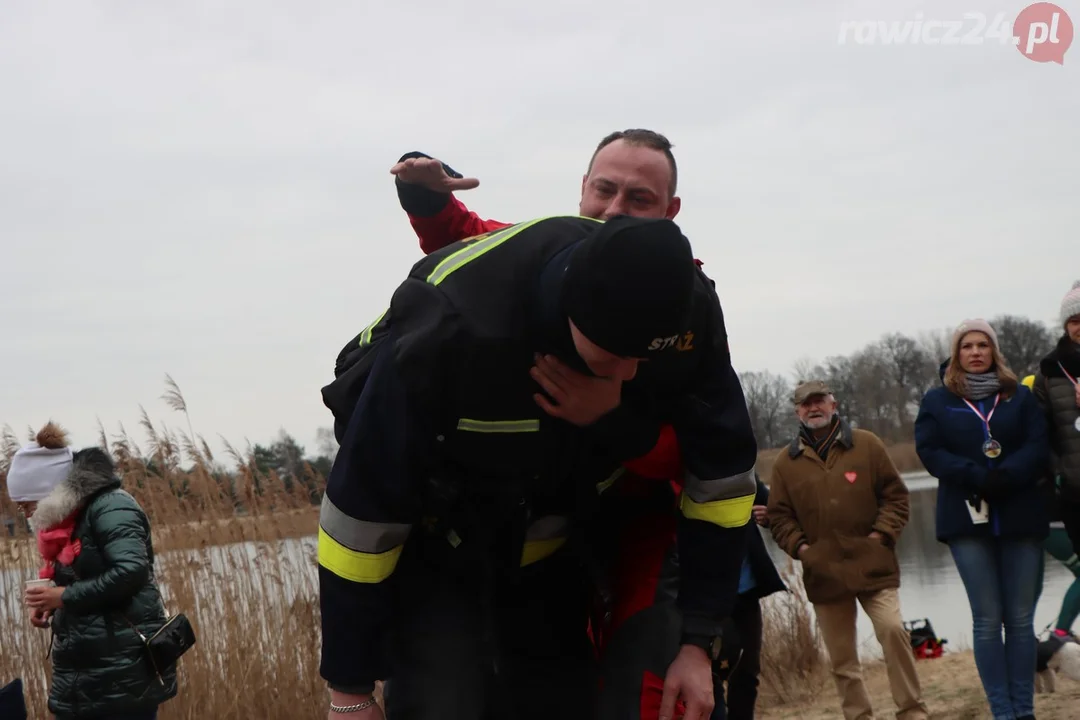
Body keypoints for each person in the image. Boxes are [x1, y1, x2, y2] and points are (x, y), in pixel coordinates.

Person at [317, 214, 758, 720]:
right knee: (444, 702)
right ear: (571, 313)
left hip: (555, 558)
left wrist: (700, 640)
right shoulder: (453, 328)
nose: (628, 375)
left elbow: (723, 484)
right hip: (436, 555)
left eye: (644, 360)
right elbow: (359, 521)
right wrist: (349, 692)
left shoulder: (690, 311)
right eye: (614, 355)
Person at [385, 129, 728, 719]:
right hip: (551, 530)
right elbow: (474, 245)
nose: (615, 210)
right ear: (582, 191)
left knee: (646, 701)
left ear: (672, 214)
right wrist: (426, 199)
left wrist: (612, 418)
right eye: (604, 190)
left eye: (639, 200)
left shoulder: (685, 303)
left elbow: (708, 459)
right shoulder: (550, 258)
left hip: (643, 529)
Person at [767, 380, 928, 720]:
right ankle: (858, 716)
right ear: (797, 411)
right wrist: (804, 549)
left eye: (819, 401)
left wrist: (881, 537)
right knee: (842, 661)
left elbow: (896, 496)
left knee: (893, 631)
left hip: (874, 566)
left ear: (833, 402)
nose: (814, 408)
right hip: (824, 573)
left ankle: (913, 712)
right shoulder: (785, 462)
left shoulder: (867, 444)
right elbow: (780, 517)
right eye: (806, 404)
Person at [914, 319, 1049, 720]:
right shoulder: (938, 401)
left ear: (994, 352)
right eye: (967, 346)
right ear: (956, 354)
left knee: (1021, 620)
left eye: (983, 345)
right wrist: (976, 475)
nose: (975, 352)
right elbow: (930, 450)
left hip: (1020, 511)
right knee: (989, 619)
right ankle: (1002, 712)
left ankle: (1024, 711)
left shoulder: (1018, 398)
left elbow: (1037, 444)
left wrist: (1007, 475)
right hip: (965, 516)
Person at [5, 422, 176, 720]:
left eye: (26, 504)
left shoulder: (111, 506)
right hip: (86, 676)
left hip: (124, 674)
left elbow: (131, 571)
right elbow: (79, 584)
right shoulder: (66, 522)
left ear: (46, 490)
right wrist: (50, 604)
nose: (26, 513)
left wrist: (63, 597)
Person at [710, 474, 786, 720]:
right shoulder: (687, 470)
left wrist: (769, 517)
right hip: (704, 595)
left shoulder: (739, 466)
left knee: (746, 674)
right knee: (710, 676)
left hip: (745, 591)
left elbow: (773, 507)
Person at [1023, 374, 1080, 638]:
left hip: (1032, 519)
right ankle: (1060, 633)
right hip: (1051, 517)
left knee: (1032, 589)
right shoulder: (1043, 434)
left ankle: (1022, 640)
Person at [1031, 282, 1080, 563]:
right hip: (1074, 495)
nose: (1079, 327)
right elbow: (1040, 435)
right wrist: (1059, 476)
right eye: (1074, 321)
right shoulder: (1048, 372)